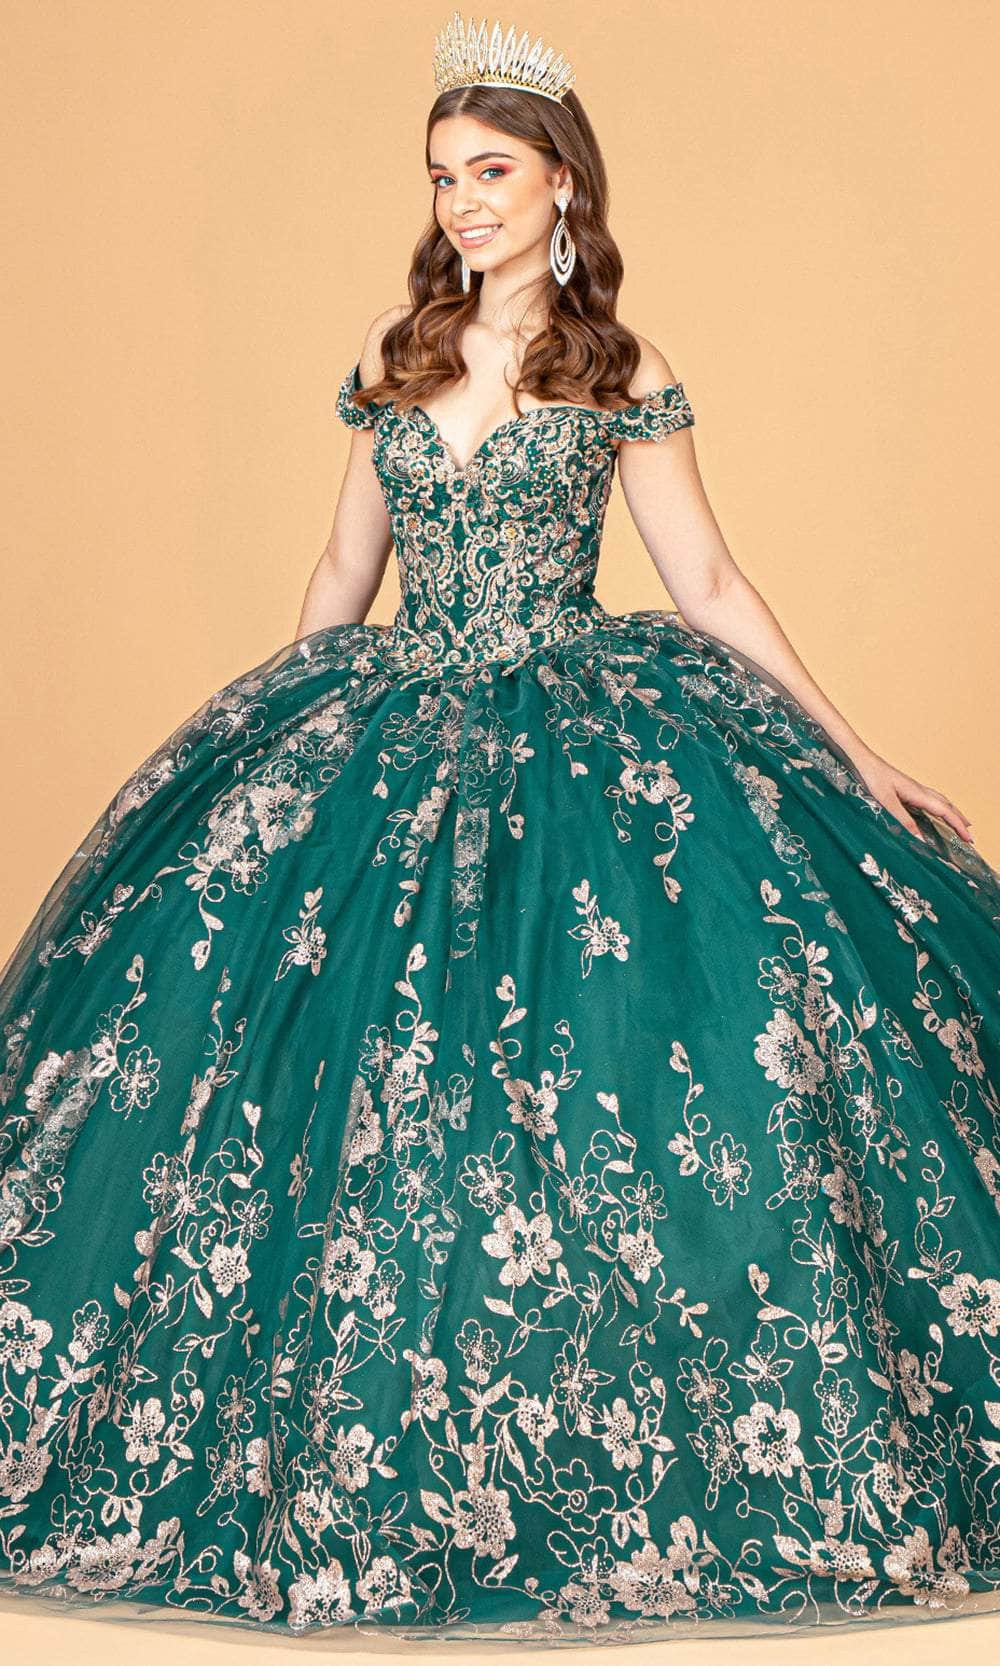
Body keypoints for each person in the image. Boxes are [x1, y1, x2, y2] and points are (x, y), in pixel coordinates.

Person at [0, 8, 998, 1646]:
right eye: (442, 176)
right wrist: (278, 764)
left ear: (561, 187)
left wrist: (861, 753)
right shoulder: (396, 353)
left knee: (599, 1080)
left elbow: (710, 582)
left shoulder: (620, 369)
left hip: (580, 737)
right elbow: (345, 570)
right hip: (387, 728)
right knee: (352, 1105)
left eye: (491, 172)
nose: (463, 202)